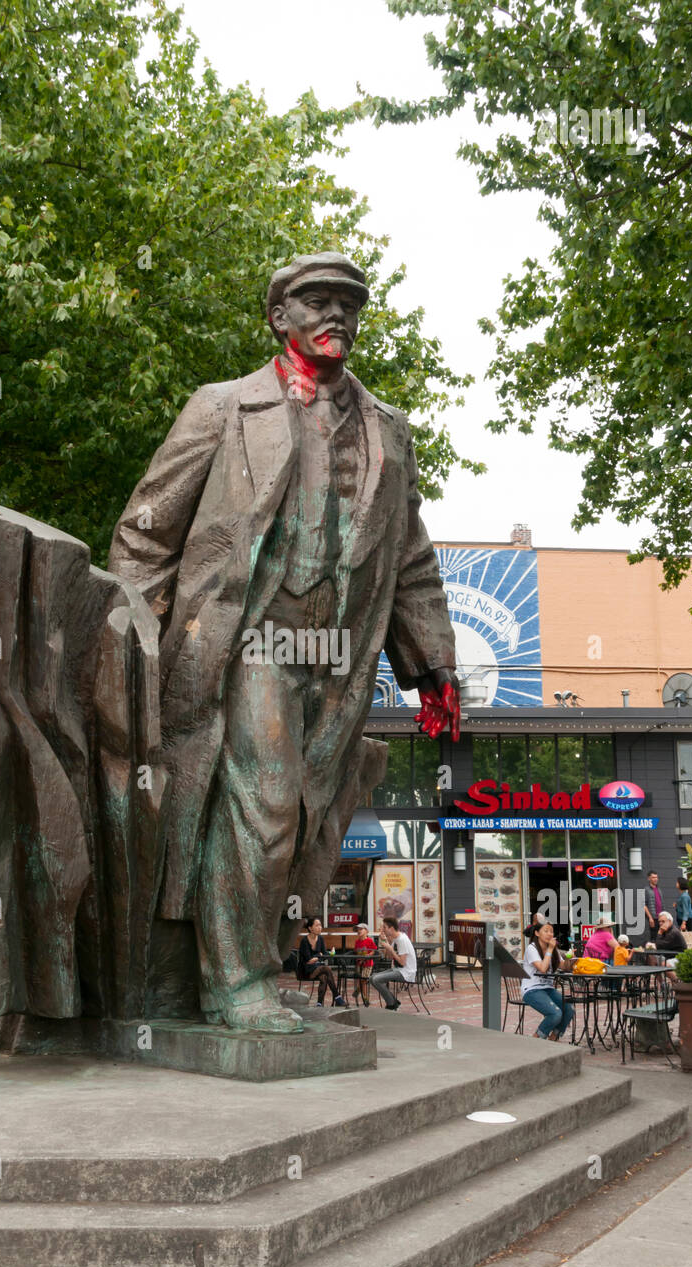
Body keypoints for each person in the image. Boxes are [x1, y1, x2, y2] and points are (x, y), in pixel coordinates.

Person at [109, 251, 460, 1033]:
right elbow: (145, 533)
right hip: (249, 643)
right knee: (263, 806)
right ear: (279, 316)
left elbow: (409, 555)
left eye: (347, 303)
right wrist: (131, 638)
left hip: (341, 656)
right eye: (315, 300)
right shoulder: (223, 409)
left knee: (308, 817)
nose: (334, 314)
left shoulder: (388, 432)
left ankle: (261, 967)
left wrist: (433, 665)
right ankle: (232, 986)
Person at [521, 915, 574, 1041]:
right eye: (546, 931)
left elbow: (564, 967)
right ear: (537, 933)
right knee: (555, 1013)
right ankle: (536, 1040)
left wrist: (571, 959)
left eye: (551, 931)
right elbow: (543, 968)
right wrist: (550, 949)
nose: (550, 934)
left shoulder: (553, 950)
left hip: (547, 988)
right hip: (532, 989)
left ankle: (553, 1039)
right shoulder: (531, 948)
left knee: (569, 1009)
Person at [370, 917, 417, 1010]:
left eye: (384, 927)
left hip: (406, 972)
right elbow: (389, 957)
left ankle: (391, 1004)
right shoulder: (395, 938)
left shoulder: (402, 940)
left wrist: (390, 948)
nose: (382, 929)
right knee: (372, 978)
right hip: (398, 969)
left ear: (391, 929)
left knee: (376, 980)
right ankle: (393, 1002)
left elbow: (402, 962)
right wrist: (386, 942)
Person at [298, 917, 345, 1007]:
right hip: (305, 970)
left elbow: (324, 954)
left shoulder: (320, 939)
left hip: (317, 967)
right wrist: (319, 956)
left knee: (324, 977)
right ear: (310, 928)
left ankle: (319, 1004)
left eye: (320, 925)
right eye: (317, 925)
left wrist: (330, 953)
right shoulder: (304, 941)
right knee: (326, 968)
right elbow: (309, 960)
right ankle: (337, 997)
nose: (320, 927)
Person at [353, 922, 377, 1006]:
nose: (358, 931)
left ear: (366, 931)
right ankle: (364, 997)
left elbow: (374, 950)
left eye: (361, 929)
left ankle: (364, 996)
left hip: (368, 964)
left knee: (364, 980)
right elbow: (356, 951)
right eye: (357, 930)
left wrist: (368, 955)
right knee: (361, 979)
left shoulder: (369, 940)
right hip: (359, 964)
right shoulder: (357, 942)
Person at [643, 871, 663, 935]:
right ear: (649, 878)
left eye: (656, 877)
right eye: (653, 877)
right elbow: (643, 905)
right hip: (653, 918)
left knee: (662, 936)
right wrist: (650, 918)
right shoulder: (646, 890)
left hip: (661, 917)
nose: (655, 879)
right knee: (654, 936)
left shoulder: (659, 889)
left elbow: (661, 903)